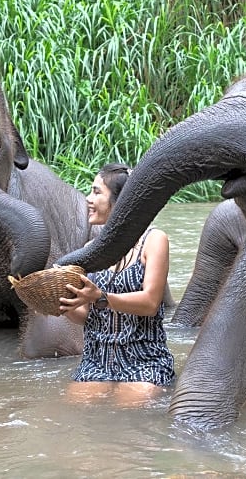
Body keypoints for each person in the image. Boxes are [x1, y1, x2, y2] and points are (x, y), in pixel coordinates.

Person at [58, 162, 175, 407]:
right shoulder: (89, 251)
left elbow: (151, 303)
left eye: (97, 192)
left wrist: (101, 297)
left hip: (144, 360)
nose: (88, 199)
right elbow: (87, 317)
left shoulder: (154, 241)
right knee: (76, 412)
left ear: (121, 201)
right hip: (96, 361)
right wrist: (64, 307)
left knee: (126, 414)